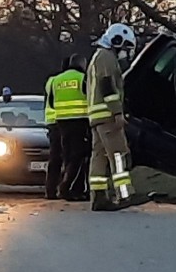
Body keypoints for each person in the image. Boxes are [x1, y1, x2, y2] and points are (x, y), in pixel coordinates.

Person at [87, 23, 137, 211]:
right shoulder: (106, 58)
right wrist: (117, 112)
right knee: (118, 155)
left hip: (96, 117)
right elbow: (107, 85)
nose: (124, 52)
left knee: (98, 157)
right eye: (124, 47)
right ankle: (125, 194)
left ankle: (99, 197)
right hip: (107, 116)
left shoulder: (97, 57)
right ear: (116, 41)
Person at [52, 54, 91, 201]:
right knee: (79, 156)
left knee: (68, 156)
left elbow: (51, 101)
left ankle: (71, 189)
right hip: (80, 120)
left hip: (61, 122)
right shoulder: (82, 78)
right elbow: (91, 97)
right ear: (82, 64)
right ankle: (66, 187)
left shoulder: (57, 79)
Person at [43, 56, 71, 200]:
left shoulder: (52, 81)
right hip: (67, 122)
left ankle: (50, 190)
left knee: (54, 159)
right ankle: (65, 188)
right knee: (70, 157)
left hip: (52, 123)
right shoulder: (75, 79)